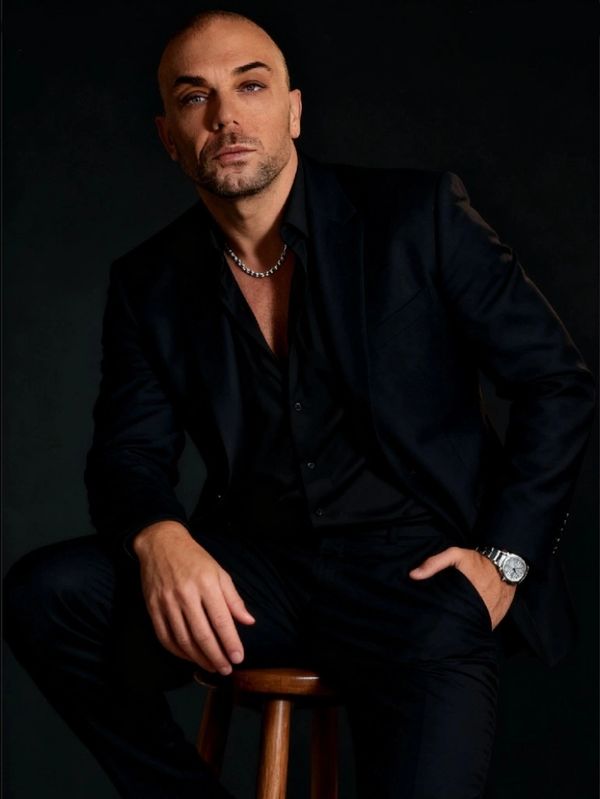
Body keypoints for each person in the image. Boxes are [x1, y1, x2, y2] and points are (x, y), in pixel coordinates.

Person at [4, 9, 595, 799]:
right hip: (259, 574)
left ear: (293, 110)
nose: (226, 116)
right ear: (169, 136)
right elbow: (127, 454)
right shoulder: (150, 281)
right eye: (195, 97)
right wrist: (157, 535)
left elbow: (557, 383)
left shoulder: (415, 216)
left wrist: (504, 561)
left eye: (251, 86)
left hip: (416, 578)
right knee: (48, 594)